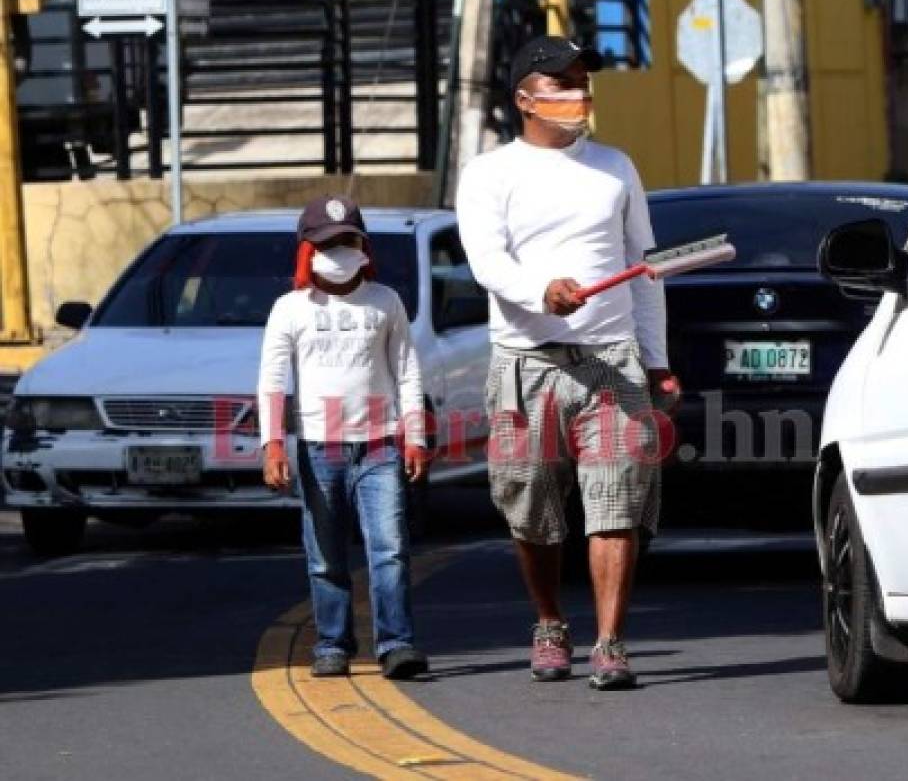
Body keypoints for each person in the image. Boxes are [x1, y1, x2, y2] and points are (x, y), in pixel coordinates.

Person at [457, 35, 679, 691]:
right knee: (529, 505)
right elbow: (487, 262)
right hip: (526, 361)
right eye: (563, 85)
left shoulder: (616, 167)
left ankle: (611, 642)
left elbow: (646, 270)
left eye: (583, 82)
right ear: (526, 98)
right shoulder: (488, 174)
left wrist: (657, 361)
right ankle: (550, 620)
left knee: (616, 503)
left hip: (612, 364)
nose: (579, 95)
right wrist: (541, 293)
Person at [258, 195, 432, 680]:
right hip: (318, 448)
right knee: (325, 557)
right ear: (307, 251)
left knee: (390, 551)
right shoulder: (290, 308)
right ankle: (332, 644)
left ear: (363, 246)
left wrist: (414, 436)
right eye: (327, 242)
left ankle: (397, 644)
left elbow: (407, 372)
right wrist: (273, 444)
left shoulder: (385, 302)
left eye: (346, 240)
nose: (338, 250)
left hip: (380, 446)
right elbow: (273, 380)